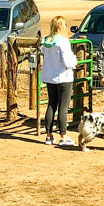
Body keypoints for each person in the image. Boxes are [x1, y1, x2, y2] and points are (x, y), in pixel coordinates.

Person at [40, 16, 78, 146]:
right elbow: (67, 61)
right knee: (63, 107)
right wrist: (75, 61)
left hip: (49, 77)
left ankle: (49, 135)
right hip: (63, 77)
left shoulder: (46, 40)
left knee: (51, 104)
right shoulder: (63, 41)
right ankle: (63, 136)